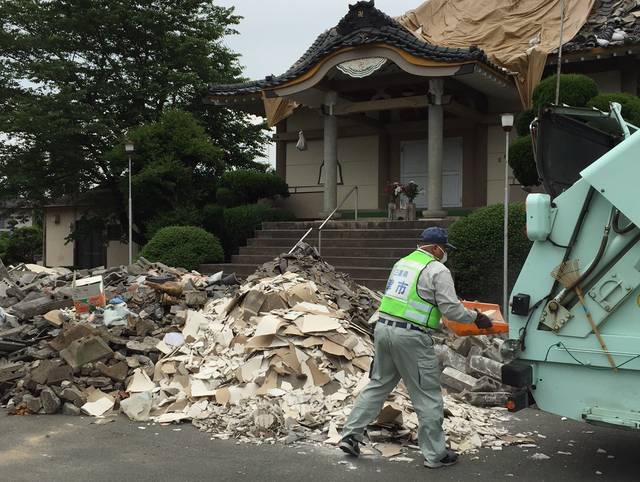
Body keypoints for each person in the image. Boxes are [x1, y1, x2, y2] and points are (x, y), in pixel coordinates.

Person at [339, 226, 493, 469]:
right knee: (427, 394)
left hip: (383, 329)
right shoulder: (437, 269)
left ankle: (350, 435)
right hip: (411, 337)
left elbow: (413, 301)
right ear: (434, 248)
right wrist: (476, 317)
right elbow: (451, 309)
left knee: (378, 384)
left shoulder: (403, 263)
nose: (445, 254)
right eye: (444, 249)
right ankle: (436, 455)